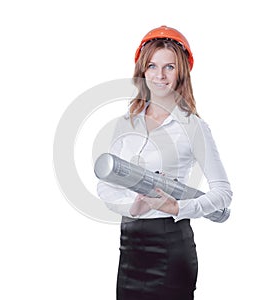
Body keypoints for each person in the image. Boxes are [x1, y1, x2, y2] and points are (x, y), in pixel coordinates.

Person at [97, 25, 232, 300]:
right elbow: (105, 186)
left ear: (181, 70)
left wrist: (176, 206)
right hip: (130, 246)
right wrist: (131, 205)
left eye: (169, 67)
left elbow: (223, 194)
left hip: (171, 246)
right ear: (142, 71)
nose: (160, 75)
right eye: (152, 66)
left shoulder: (193, 127)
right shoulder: (126, 123)